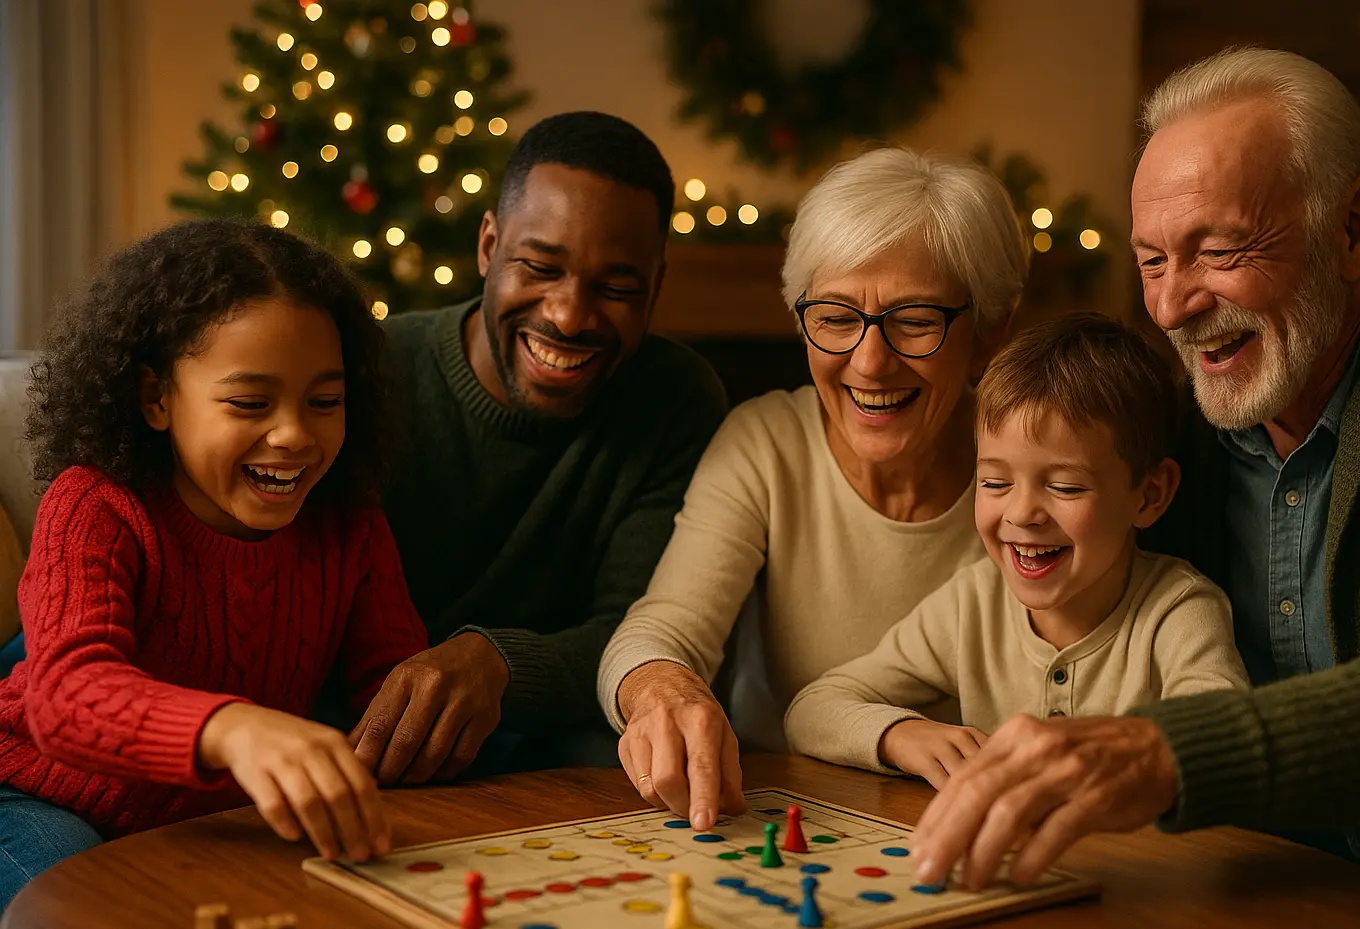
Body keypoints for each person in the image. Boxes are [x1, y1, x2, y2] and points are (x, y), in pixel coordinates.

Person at [909, 47, 1360, 929]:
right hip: (1258, 876)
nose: (1169, 304)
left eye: (1221, 249)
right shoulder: (1175, 419)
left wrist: (1168, 752)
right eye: (1154, 259)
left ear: (1356, 227)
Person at [0, 220, 427, 914]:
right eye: (250, 403)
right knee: (78, 911)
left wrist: (418, 726)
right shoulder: (96, 506)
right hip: (35, 791)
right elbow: (66, 694)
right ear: (156, 398)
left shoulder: (350, 522)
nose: (293, 434)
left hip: (211, 821)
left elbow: (389, 693)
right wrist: (235, 728)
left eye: (324, 401)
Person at [599, 147, 1028, 830]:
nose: (869, 361)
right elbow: (662, 628)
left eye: (915, 320)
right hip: (794, 825)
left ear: (988, 333)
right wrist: (664, 689)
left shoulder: (1039, 469)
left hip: (986, 824)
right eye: (834, 316)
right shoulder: (768, 442)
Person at [346, 112, 728, 782]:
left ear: (655, 288)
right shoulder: (372, 370)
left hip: (553, 738)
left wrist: (498, 663)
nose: (569, 315)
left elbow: (644, 625)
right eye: (540, 267)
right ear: (489, 245)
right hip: (360, 729)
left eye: (615, 288)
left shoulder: (676, 399)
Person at [784, 314, 1249, 785]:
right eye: (995, 482)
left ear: (1148, 496)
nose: (1023, 513)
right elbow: (812, 710)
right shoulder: (972, 606)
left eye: (1066, 487)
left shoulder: (1179, 613)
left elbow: (1228, 751)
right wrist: (900, 734)